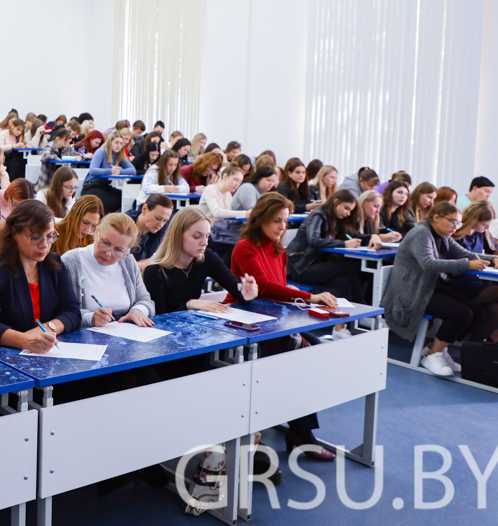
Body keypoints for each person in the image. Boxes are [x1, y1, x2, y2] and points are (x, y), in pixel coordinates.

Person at [228, 192, 338, 460]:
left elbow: (281, 288)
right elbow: (263, 287)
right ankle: (301, 433)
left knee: (313, 350)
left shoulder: (278, 249)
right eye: (277, 220)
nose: (282, 227)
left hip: (273, 319)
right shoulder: (245, 247)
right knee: (300, 354)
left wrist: (302, 301)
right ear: (260, 219)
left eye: (285, 221)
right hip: (244, 319)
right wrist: (310, 297)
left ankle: (299, 429)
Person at [383, 202, 498, 377]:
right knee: (462, 314)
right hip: (412, 293)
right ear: (437, 217)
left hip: (429, 288)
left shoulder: (443, 235)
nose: (456, 227)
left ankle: (439, 349)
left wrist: (493, 259)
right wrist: (466, 265)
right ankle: (433, 355)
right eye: (453, 221)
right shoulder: (421, 233)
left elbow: (465, 254)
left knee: (478, 313)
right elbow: (428, 264)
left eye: (459, 223)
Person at [0, 200, 82, 350]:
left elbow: (72, 312)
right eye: (35, 237)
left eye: (50, 236)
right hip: (10, 355)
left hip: (49, 349)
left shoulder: (54, 262)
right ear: (14, 233)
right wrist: (26, 340)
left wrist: (44, 329)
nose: (44, 244)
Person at [144, 207, 260, 315]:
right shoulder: (154, 271)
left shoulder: (206, 257)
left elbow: (236, 289)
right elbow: (158, 318)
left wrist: (247, 293)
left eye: (207, 236)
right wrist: (189, 305)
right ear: (178, 235)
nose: (204, 243)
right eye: (196, 236)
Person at [285, 190, 370, 339]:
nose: (348, 213)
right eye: (346, 208)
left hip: (316, 267)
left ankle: (339, 328)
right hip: (301, 267)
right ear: (336, 202)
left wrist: (374, 236)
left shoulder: (335, 219)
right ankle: (364, 310)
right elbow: (314, 240)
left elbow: (354, 237)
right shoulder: (319, 215)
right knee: (350, 269)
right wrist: (343, 243)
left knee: (344, 281)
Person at [61, 212, 155, 328]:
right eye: (105, 243)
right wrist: (91, 318)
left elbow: (146, 300)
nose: (108, 253)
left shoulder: (128, 262)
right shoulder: (71, 261)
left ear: (127, 251)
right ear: (96, 232)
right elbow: (63, 311)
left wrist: (138, 310)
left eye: (118, 250)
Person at [449, 201, 498, 344]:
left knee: (497, 311)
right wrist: (490, 259)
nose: (488, 228)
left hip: (474, 281)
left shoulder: (481, 232)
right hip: (456, 284)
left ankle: (471, 351)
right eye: (485, 225)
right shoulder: (456, 235)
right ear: (474, 219)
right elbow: (455, 265)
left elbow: (493, 249)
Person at [199, 164, 248, 264]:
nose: (237, 184)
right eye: (235, 180)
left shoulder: (229, 195)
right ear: (225, 177)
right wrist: (244, 213)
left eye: (240, 182)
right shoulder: (211, 189)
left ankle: (223, 274)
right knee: (233, 247)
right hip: (207, 233)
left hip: (220, 232)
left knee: (241, 245)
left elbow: (227, 216)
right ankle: (222, 275)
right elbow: (216, 212)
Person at [82, 130, 135, 213]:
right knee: (112, 201)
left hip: (105, 186)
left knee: (123, 196)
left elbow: (132, 171)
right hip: (91, 187)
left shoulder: (119, 154)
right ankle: (103, 221)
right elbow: (92, 170)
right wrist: (110, 171)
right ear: (110, 142)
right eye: (116, 142)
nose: (119, 145)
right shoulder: (101, 151)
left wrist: (118, 172)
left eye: (121, 143)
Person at [126, 194, 174, 265]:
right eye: (158, 218)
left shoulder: (163, 230)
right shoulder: (124, 225)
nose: (161, 225)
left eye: (165, 221)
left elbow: (164, 257)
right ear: (144, 209)